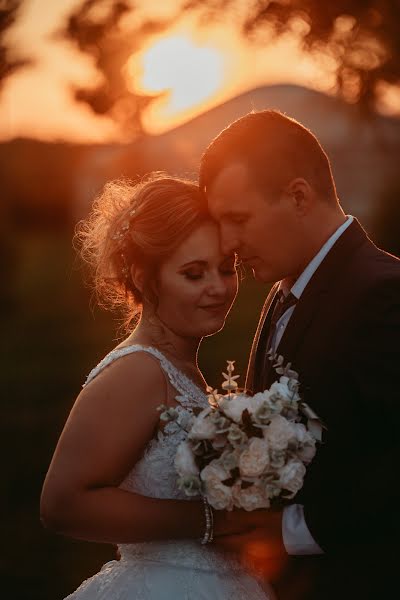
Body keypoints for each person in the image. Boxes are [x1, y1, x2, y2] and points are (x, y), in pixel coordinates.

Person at [40, 174, 275, 599]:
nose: (218, 288)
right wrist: (211, 522)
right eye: (193, 273)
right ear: (141, 275)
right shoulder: (140, 371)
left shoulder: (182, 368)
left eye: (226, 268)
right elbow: (62, 504)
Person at [200, 110, 400, 600]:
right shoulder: (285, 289)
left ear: (298, 196)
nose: (227, 244)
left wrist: (292, 530)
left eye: (238, 220)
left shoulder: (384, 294)